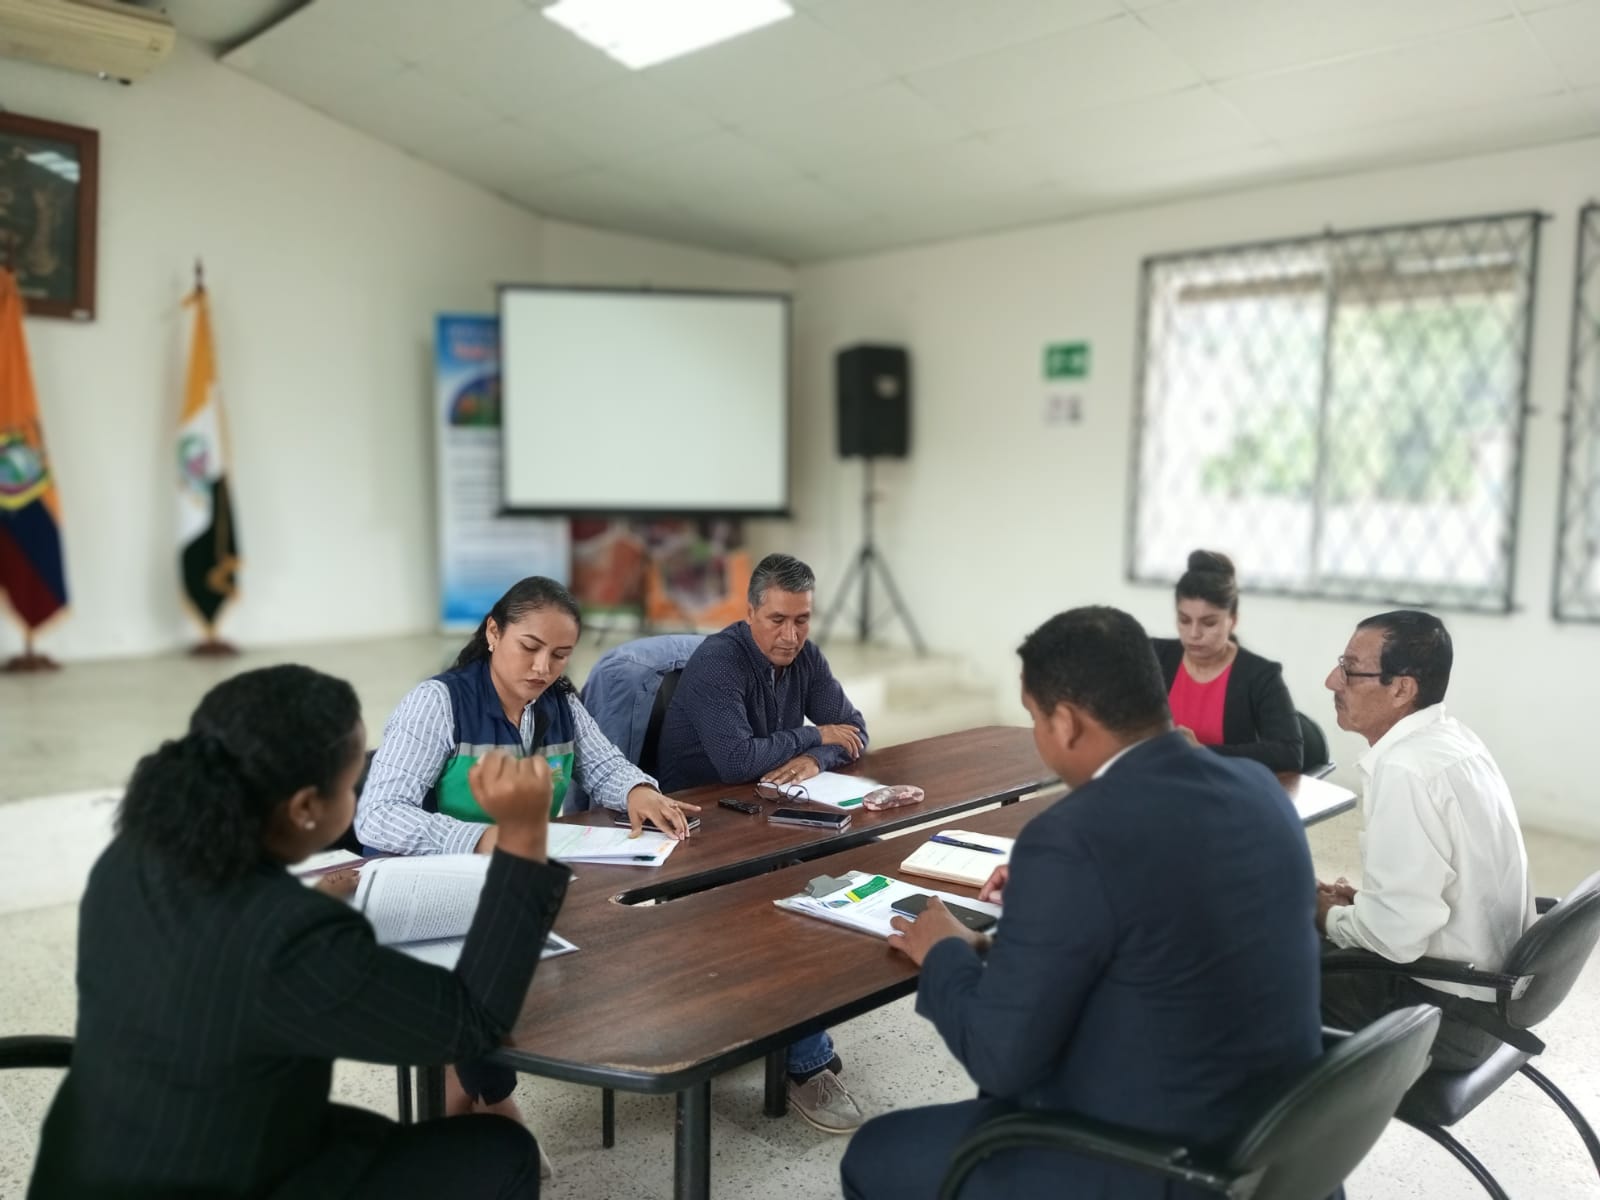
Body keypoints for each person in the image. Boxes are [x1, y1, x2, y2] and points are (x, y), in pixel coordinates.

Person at [29, 665, 567, 1200]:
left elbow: (217, 950)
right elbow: (472, 1024)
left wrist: (302, 906)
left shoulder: (134, 855)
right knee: (501, 1151)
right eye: (353, 782)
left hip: (99, 1152)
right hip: (209, 1178)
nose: (359, 793)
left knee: (360, 1132)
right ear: (306, 807)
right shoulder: (291, 936)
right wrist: (522, 837)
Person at [841, 607, 1323, 1200]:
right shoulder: (1258, 788)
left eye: (1034, 719)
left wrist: (944, 950)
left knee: (875, 1153)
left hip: (1162, 1165)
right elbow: (1172, 912)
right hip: (1280, 1141)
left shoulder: (1072, 836)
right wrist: (1041, 908)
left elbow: (999, 1058)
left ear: (1067, 723)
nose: (1038, 737)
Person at [355, 576, 699, 1122]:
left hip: (515, 890)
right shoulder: (438, 703)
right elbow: (377, 816)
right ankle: (489, 1110)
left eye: (560, 656)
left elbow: (603, 765)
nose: (543, 668)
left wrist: (639, 790)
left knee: (611, 949)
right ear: (494, 633)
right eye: (530, 648)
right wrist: (485, 838)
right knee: (477, 987)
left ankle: (485, 1108)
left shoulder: (558, 703)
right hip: (435, 896)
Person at [654, 552, 869, 1132]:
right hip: (699, 824)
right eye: (777, 620)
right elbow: (735, 760)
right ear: (750, 612)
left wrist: (815, 756)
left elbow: (855, 731)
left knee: (844, 868)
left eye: (802, 620)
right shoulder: (719, 662)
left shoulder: (806, 657)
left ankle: (791, 1026)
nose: (791, 635)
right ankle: (808, 1063)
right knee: (793, 901)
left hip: (763, 813)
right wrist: (811, 734)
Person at [1317, 610, 1532, 1070]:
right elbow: (1439, 889)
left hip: (1447, 1019)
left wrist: (1325, 914)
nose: (1332, 681)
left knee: (1264, 960)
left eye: (1350, 669)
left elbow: (1395, 940)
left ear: (1402, 689)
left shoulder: (1406, 770)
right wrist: (1362, 906)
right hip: (1489, 1003)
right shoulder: (1455, 741)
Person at [1150, 549, 1303, 772]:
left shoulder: (1260, 675)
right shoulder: (1154, 656)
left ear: (1233, 620)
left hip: (1224, 786)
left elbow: (1289, 753)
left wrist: (1202, 752)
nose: (1194, 633)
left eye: (1209, 623)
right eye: (1184, 620)